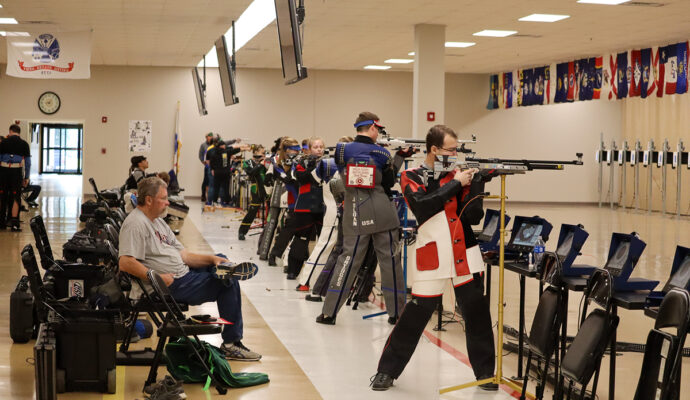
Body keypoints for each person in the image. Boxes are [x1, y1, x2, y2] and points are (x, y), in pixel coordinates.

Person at [371, 125, 497, 391]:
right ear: (434, 150)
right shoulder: (411, 175)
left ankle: (486, 374)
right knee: (415, 316)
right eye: (451, 150)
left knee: (476, 314)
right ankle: (386, 372)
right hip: (433, 253)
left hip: (466, 252)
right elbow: (423, 205)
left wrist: (477, 182)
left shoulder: (458, 175)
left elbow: (473, 217)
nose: (455, 154)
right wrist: (456, 183)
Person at [118, 177, 261, 360]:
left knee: (220, 261)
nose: (168, 202)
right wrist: (158, 278)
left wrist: (212, 259)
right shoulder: (136, 223)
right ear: (149, 200)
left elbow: (184, 256)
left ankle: (223, 269)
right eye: (164, 198)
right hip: (166, 286)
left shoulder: (158, 222)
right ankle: (231, 344)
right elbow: (126, 262)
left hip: (182, 275)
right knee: (228, 284)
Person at [317, 112, 406, 325]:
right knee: (391, 262)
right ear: (373, 128)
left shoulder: (341, 150)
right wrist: (400, 157)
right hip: (384, 212)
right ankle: (397, 314)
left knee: (347, 261)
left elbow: (329, 172)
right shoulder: (383, 153)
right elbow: (388, 184)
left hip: (356, 211)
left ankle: (329, 313)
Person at [265, 138, 301, 266]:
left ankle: (290, 260)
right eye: (293, 149)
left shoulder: (300, 161)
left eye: (298, 149)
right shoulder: (277, 164)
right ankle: (273, 254)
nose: (297, 152)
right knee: (284, 230)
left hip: (304, 199)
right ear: (285, 150)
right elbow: (286, 179)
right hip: (288, 199)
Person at [0, 124, 31, 231]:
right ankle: (14, 223)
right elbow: (28, 163)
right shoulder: (24, 144)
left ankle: (1, 222)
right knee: (15, 196)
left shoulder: (3, 142)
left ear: (10, 131)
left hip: (3, 171)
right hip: (16, 171)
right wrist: (26, 177)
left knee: (2, 195)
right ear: (19, 132)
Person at [206, 138, 247, 206]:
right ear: (222, 146)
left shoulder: (213, 152)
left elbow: (211, 162)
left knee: (216, 187)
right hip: (225, 172)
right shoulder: (226, 152)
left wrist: (212, 169)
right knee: (226, 188)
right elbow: (237, 150)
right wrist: (246, 148)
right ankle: (226, 201)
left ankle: (214, 201)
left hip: (217, 173)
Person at [238, 146, 267, 240]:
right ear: (256, 152)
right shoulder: (248, 162)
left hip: (267, 189)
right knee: (252, 212)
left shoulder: (267, 162)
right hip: (256, 189)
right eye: (262, 152)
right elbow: (251, 172)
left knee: (271, 212)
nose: (264, 154)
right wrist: (260, 164)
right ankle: (242, 231)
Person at [199, 132, 214, 202]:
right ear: (206, 137)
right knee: (206, 182)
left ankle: (209, 197)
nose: (210, 138)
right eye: (209, 136)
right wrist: (204, 163)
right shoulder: (203, 145)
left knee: (211, 182)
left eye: (211, 136)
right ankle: (203, 195)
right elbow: (200, 155)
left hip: (214, 166)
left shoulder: (214, 145)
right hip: (207, 166)